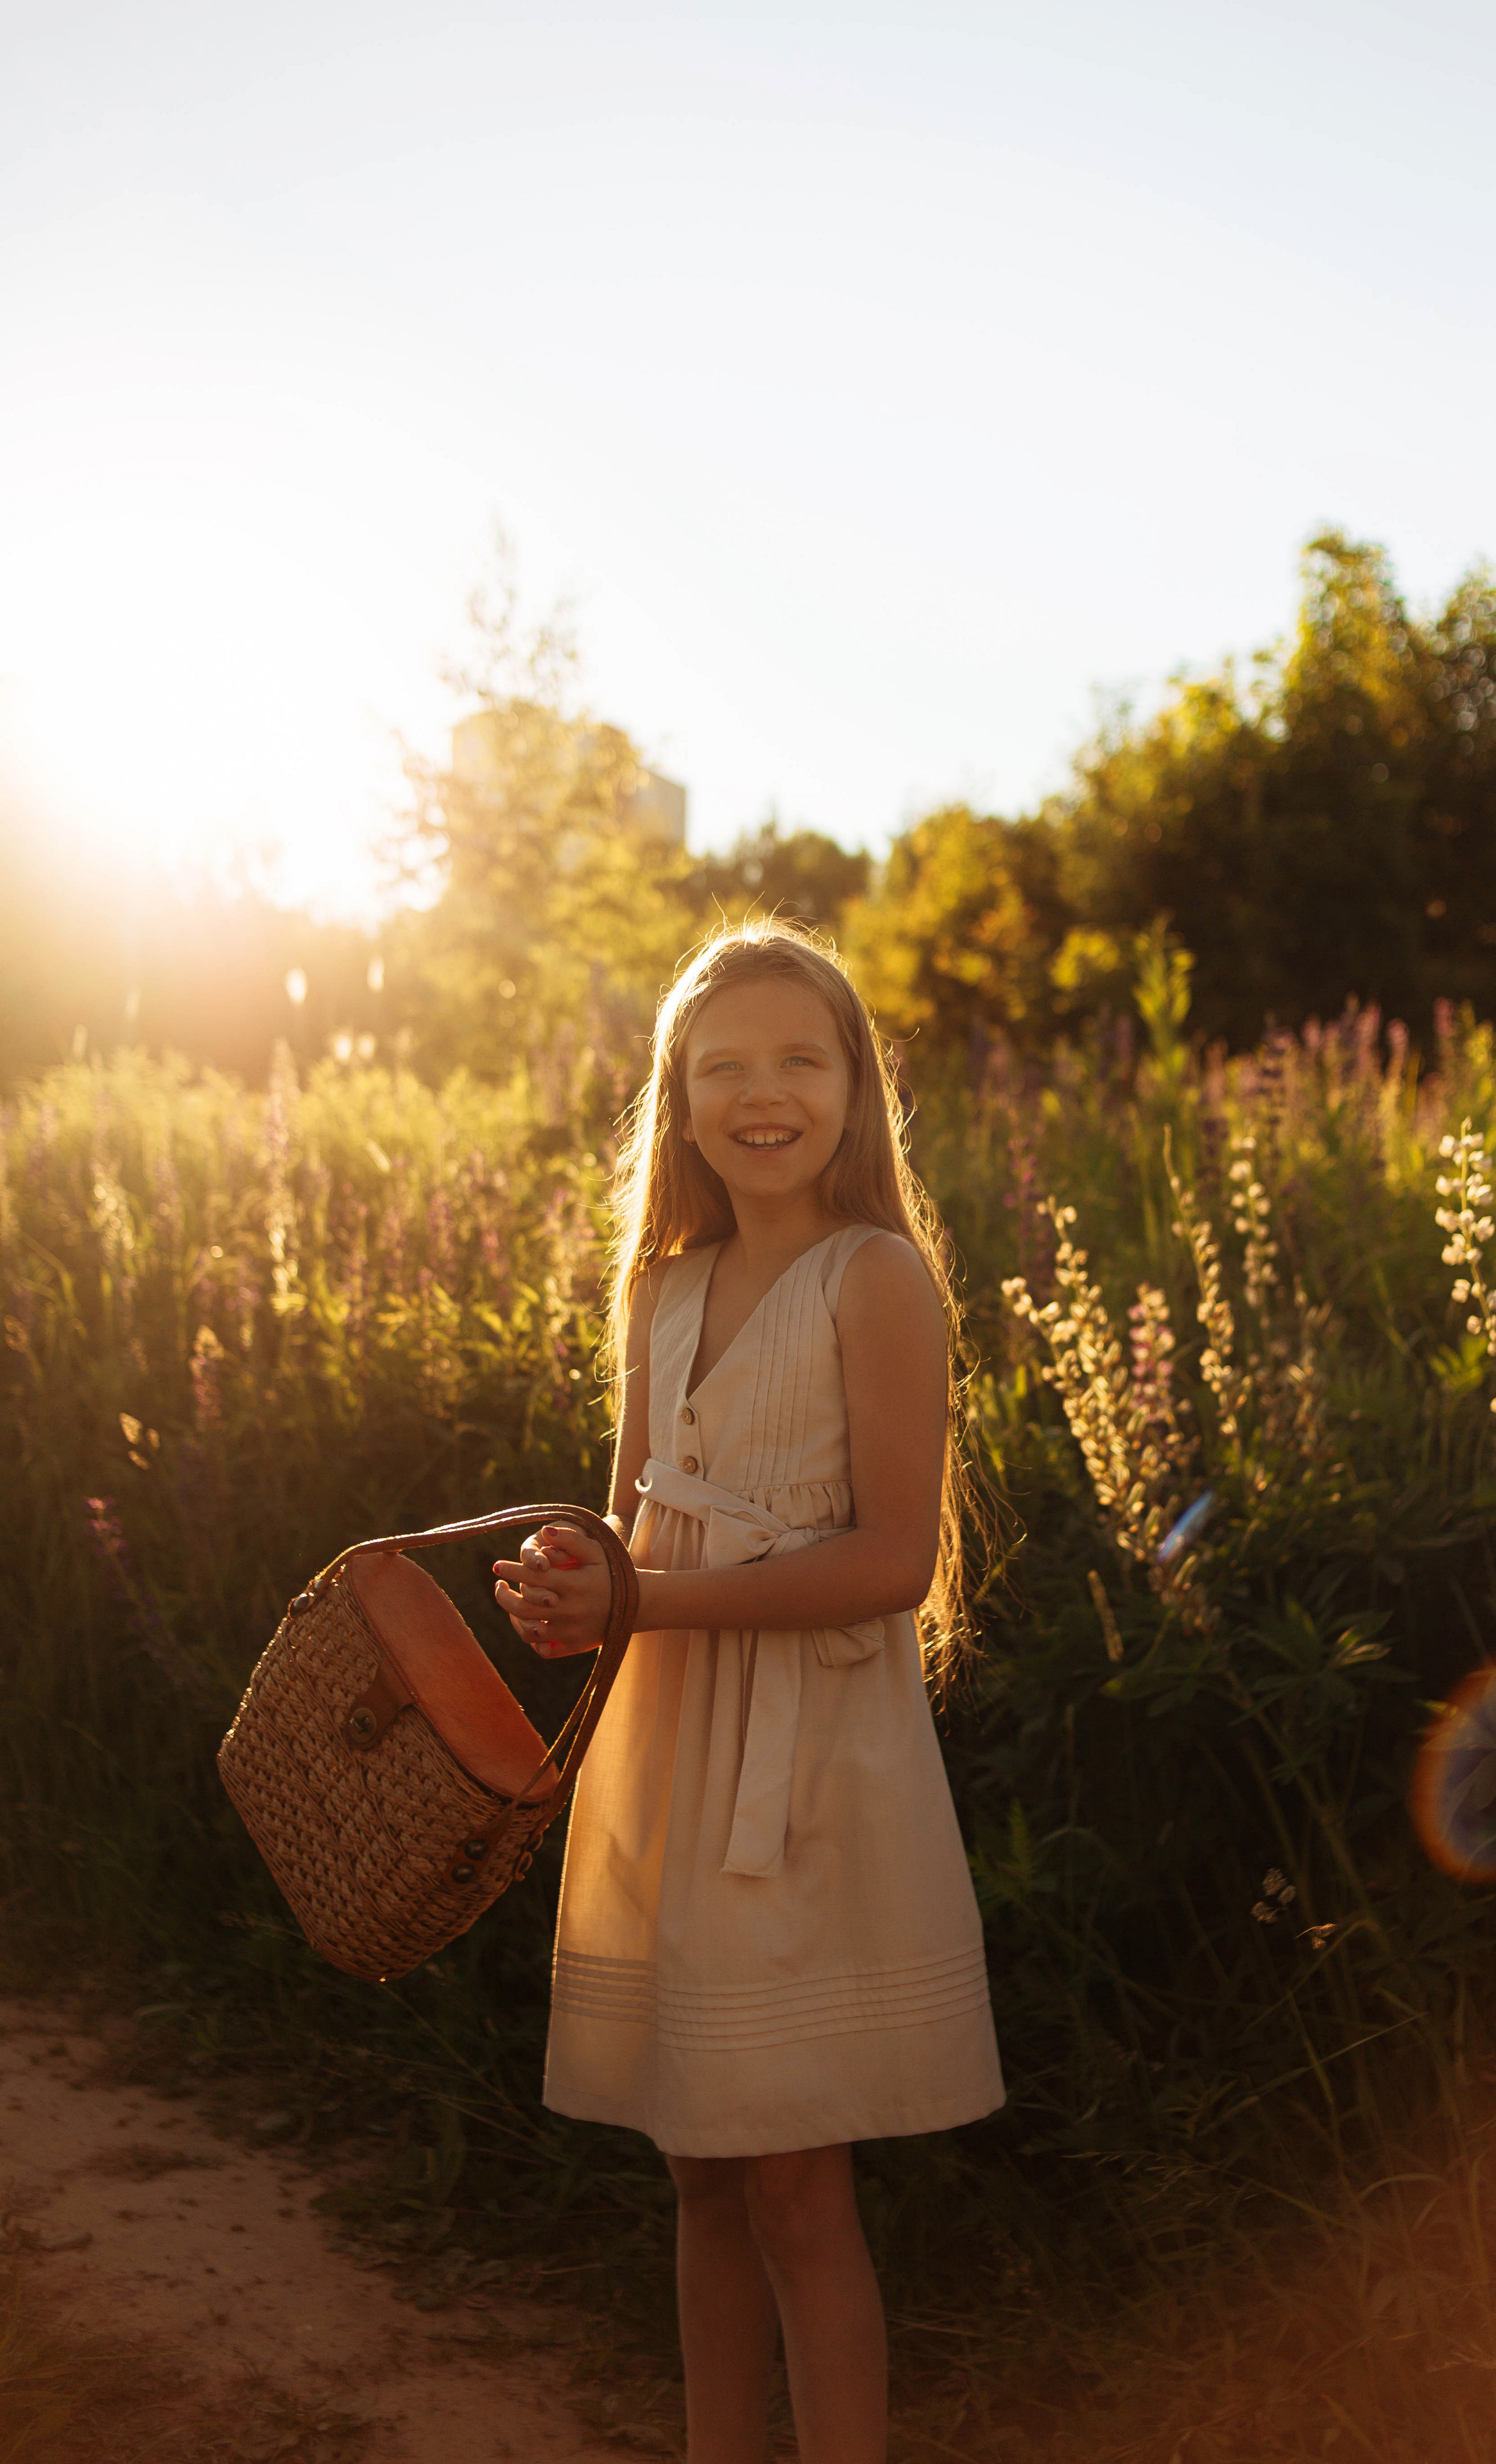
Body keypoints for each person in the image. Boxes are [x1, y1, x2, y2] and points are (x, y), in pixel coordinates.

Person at [492, 922, 1004, 2464]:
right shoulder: (664, 1283)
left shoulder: (876, 1277)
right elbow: (628, 1520)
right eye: (723, 1067)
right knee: (699, 2165)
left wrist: (644, 1600)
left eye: (798, 1059)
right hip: (669, 1746)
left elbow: (892, 1563)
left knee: (791, 2181)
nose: (761, 1093)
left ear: (854, 1086)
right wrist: (570, 1581)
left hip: (809, 1772)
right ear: (680, 1097)